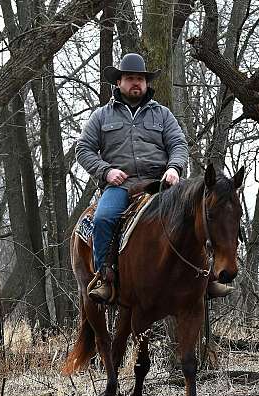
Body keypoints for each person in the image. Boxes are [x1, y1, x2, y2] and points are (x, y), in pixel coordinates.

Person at [76, 53, 233, 303]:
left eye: (140, 79)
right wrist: (106, 171)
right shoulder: (102, 116)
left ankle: (206, 278)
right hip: (122, 186)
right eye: (130, 79)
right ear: (119, 83)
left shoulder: (162, 115)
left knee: (197, 214)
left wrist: (174, 168)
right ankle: (105, 278)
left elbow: (178, 145)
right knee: (104, 218)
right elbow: (83, 149)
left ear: (147, 83)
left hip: (162, 185)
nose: (135, 83)